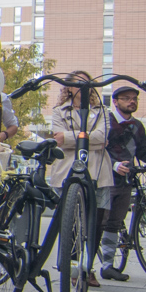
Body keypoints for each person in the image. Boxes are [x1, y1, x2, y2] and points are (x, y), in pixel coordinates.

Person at [98, 80, 146, 283]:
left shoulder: (136, 125)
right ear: (115, 102)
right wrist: (114, 165)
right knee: (98, 223)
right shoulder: (104, 121)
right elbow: (98, 149)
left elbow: (144, 153)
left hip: (126, 180)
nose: (132, 102)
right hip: (105, 179)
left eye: (134, 99)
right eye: (126, 99)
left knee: (115, 223)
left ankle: (107, 266)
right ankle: (85, 266)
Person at [45, 70, 111, 281]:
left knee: (95, 222)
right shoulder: (59, 111)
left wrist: (69, 137)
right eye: (80, 83)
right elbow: (58, 138)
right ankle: (72, 267)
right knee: (70, 223)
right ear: (70, 87)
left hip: (98, 173)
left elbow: (103, 136)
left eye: (88, 82)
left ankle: (88, 267)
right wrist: (93, 141)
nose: (85, 86)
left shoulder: (102, 111)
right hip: (66, 171)